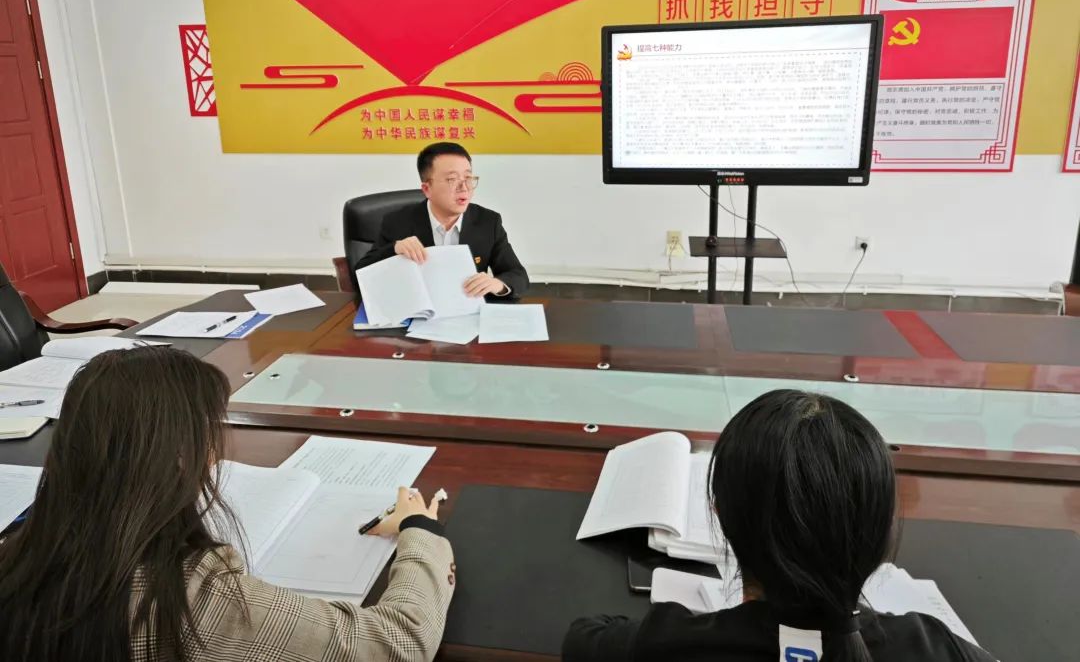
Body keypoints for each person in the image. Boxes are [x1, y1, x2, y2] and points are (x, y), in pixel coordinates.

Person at [0, 346, 454, 662]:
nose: (213, 457)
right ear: (178, 457)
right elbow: (398, 642)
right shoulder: (193, 599)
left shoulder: (16, 556)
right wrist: (422, 532)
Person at [562, 389, 995, 662]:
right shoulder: (938, 647)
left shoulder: (671, 643)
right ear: (879, 533)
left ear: (721, 516)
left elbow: (584, 637)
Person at [355, 142, 529, 299]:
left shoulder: (488, 222)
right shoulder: (398, 222)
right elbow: (360, 275)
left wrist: (497, 284)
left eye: (468, 178)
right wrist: (394, 249)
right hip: (417, 312)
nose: (464, 187)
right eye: (452, 179)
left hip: (468, 311)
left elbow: (518, 275)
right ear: (427, 189)